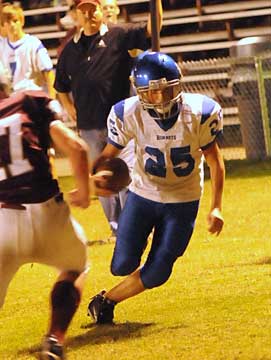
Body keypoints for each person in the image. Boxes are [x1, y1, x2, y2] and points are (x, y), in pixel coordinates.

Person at [87, 51, 225, 324]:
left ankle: (106, 301)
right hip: (144, 194)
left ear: (178, 84)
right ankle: (140, 237)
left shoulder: (200, 113)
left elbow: (215, 162)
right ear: (139, 92)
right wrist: (97, 176)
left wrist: (216, 206)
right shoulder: (127, 113)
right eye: (152, 93)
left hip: (183, 199)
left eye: (166, 90)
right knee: (122, 265)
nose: (160, 99)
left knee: (158, 271)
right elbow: (107, 154)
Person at [0, 60, 91, 360]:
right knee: (76, 265)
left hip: (3, 218)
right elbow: (77, 148)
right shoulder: (28, 101)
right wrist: (84, 191)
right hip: (46, 210)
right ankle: (54, 339)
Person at [54, 0, 162, 239]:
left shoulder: (119, 35)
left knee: (127, 174)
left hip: (119, 123)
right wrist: (68, 105)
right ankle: (116, 229)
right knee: (101, 183)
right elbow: (60, 84)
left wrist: (157, 4)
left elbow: (152, 30)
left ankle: (132, 227)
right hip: (89, 126)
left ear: (102, 11)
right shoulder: (69, 50)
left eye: (94, 8)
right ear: (75, 15)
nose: (90, 14)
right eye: (83, 10)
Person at [0, 3, 56, 98]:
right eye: (8, 22)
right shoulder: (2, 46)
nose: (12, 25)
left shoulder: (33, 43)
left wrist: (52, 97)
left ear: (22, 22)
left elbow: (48, 72)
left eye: (15, 21)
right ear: (2, 25)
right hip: (11, 98)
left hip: (33, 94)